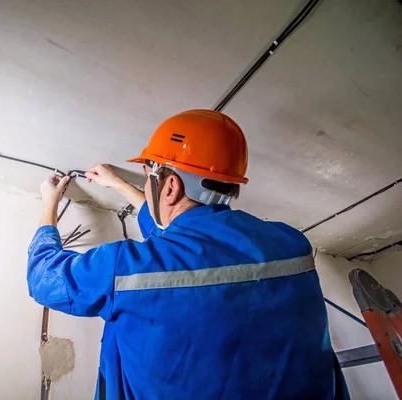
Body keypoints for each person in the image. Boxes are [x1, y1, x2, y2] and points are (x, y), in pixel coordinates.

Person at [27, 110, 349, 400]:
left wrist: (49, 205)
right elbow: (181, 241)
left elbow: (43, 276)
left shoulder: (123, 269)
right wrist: (120, 185)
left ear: (170, 188)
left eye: (152, 176)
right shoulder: (291, 243)